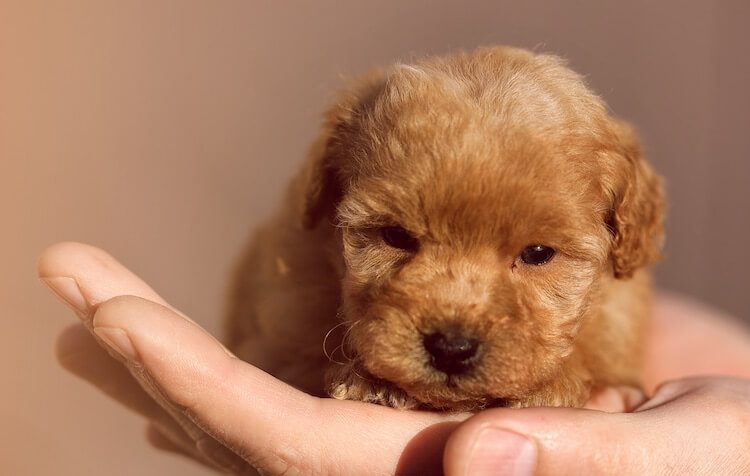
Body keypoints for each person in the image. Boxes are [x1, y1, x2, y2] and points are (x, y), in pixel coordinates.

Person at [39, 242, 750, 475]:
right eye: (399, 238)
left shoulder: (626, 287)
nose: (455, 320)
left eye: (534, 253)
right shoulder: (289, 256)